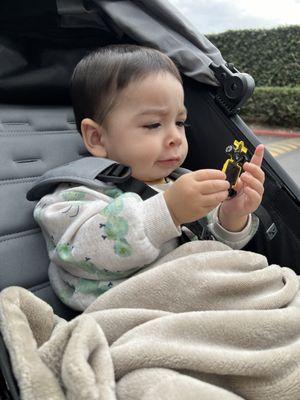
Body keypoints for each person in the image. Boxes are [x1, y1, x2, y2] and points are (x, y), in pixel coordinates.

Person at [33, 44, 265, 310]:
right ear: (97, 137)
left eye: (180, 122)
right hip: (135, 318)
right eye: (153, 124)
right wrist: (168, 211)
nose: (176, 138)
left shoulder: (179, 182)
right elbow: (80, 253)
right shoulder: (76, 196)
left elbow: (211, 250)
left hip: (199, 301)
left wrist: (231, 216)